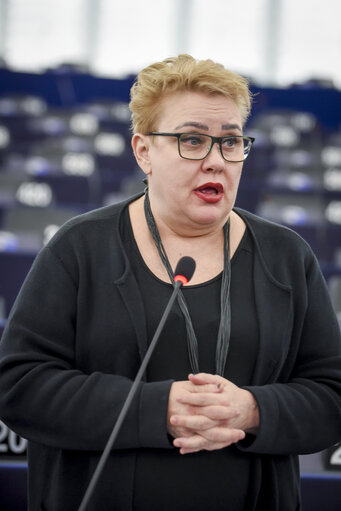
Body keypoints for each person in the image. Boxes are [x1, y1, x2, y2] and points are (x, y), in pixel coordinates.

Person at [0, 54, 340, 511]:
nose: (217, 161)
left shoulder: (287, 256)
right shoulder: (79, 246)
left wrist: (254, 411)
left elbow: (331, 394)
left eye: (231, 142)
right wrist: (157, 408)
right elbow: (20, 385)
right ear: (143, 151)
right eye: (193, 140)